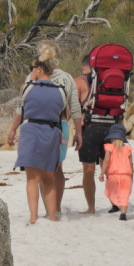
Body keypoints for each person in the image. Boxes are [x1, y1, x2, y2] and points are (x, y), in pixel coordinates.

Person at [9, 41, 83, 211]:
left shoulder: (33, 75)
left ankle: (47, 209)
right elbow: (75, 107)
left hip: (35, 127)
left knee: (40, 172)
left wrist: (14, 129)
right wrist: (78, 132)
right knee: (57, 169)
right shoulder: (67, 78)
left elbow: (23, 105)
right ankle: (55, 208)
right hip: (60, 126)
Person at [12, 56, 67, 223]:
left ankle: (33, 217)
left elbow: (20, 111)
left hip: (30, 131)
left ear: (40, 69)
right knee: (48, 179)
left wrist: (12, 130)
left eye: (33, 67)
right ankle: (52, 216)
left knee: (32, 179)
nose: (31, 71)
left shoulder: (27, 87)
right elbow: (65, 115)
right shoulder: (61, 90)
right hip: (51, 133)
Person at [75, 54, 113, 214]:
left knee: (89, 170)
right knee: (110, 168)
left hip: (90, 129)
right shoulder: (108, 80)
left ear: (84, 66)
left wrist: (76, 131)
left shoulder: (79, 81)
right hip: (110, 128)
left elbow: (73, 109)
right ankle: (116, 203)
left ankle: (91, 208)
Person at [98, 124, 133, 221]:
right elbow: (131, 165)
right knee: (124, 194)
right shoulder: (127, 149)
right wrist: (132, 176)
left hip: (113, 175)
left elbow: (106, 161)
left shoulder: (110, 148)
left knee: (110, 190)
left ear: (112, 137)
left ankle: (114, 206)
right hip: (126, 175)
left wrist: (102, 173)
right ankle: (123, 213)